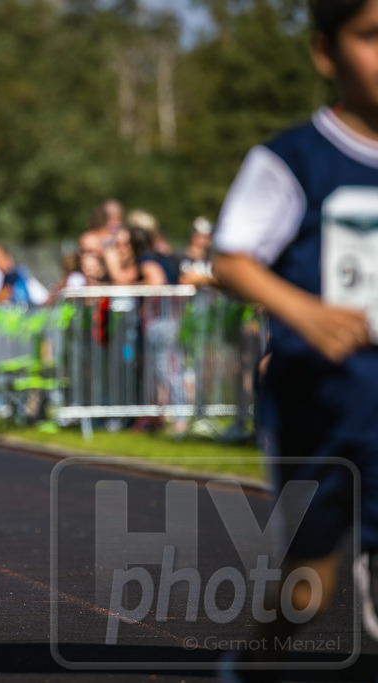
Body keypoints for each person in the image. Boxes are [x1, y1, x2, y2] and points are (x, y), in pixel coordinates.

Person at [212, 0, 378, 676]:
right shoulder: (294, 159)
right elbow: (231, 260)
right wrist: (306, 314)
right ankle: (254, 662)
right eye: (372, 37)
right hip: (325, 401)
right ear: (325, 51)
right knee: (309, 584)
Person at [178, 216, 217, 288]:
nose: (209, 238)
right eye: (205, 236)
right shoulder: (178, 258)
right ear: (194, 236)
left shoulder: (213, 259)